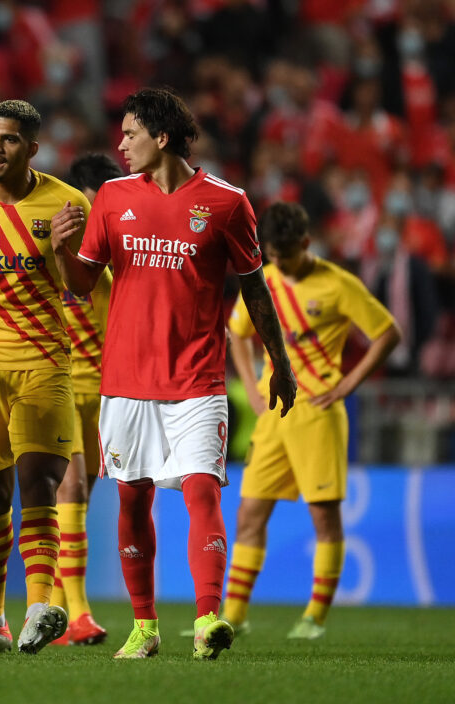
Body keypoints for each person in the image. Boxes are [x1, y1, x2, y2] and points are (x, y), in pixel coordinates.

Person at [50, 88, 297, 661]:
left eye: (130, 133)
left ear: (161, 138)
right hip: (125, 382)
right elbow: (81, 285)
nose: (120, 144)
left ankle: (208, 619)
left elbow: (255, 289)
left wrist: (280, 363)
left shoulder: (228, 203)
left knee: (202, 489)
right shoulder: (112, 198)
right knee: (133, 501)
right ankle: (145, 626)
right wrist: (63, 252)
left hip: (197, 379)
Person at [222, 201, 401, 639]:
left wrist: (347, 385)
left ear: (306, 242)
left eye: (286, 255)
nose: (280, 263)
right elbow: (236, 333)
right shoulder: (264, 281)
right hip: (273, 417)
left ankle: (315, 617)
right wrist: (251, 388)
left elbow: (388, 333)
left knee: (324, 518)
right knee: (249, 514)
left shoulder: (339, 284)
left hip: (319, 415)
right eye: (273, 256)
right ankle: (235, 616)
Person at [0, 100, 85, 655]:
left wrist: (64, 250)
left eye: (8, 139)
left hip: (45, 362)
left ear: (31, 148)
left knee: (40, 483)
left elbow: (83, 286)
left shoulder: (67, 203)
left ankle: (37, 609)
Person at [48, 154, 123, 647]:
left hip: (104, 393)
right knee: (70, 492)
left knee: (76, 502)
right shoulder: (50, 247)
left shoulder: (115, 260)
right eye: (98, 202)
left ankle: (53, 613)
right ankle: (77, 615)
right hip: (59, 385)